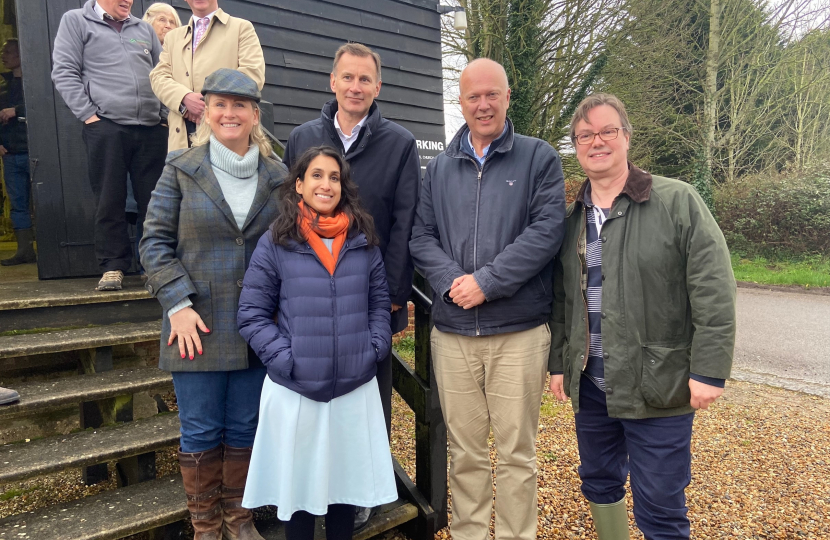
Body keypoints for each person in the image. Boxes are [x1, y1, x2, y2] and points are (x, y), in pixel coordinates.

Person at [548, 93, 736, 540]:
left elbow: (713, 290)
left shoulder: (677, 202)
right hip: (592, 386)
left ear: (627, 137)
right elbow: (562, 300)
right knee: (598, 481)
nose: (597, 141)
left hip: (658, 384)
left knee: (660, 502)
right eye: (585, 135)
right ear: (576, 146)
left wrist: (709, 370)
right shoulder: (571, 217)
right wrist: (559, 361)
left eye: (607, 130)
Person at [409, 58, 566, 540]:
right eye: (473, 96)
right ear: (460, 101)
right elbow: (420, 236)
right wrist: (456, 280)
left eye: (491, 94)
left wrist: (489, 282)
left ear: (507, 97)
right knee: (465, 451)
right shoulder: (438, 168)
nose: (482, 104)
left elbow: (546, 232)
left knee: (518, 454)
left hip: (517, 332)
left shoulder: (539, 158)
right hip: (454, 334)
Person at [140, 69, 286, 540]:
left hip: (255, 328)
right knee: (201, 431)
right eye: (220, 104)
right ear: (207, 111)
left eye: (240, 105)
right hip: (194, 323)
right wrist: (176, 304)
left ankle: (238, 519)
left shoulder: (280, 177)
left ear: (254, 114)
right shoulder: (182, 168)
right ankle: (206, 526)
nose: (229, 113)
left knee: (245, 427)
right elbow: (154, 243)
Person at [282, 43, 420, 529]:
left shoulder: (399, 143)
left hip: (370, 293)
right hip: (307, 291)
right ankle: (305, 485)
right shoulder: (302, 137)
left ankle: (361, 488)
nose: (356, 87)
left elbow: (405, 221)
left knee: (369, 394)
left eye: (366, 79)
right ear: (332, 81)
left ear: (377, 87)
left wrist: (396, 296)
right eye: (348, 77)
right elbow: (286, 212)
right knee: (306, 390)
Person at [237, 145, 397, 540]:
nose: (326, 184)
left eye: (334, 177)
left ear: (343, 187)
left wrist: (374, 349)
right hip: (297, 391)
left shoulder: (363, 241)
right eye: (317, 175)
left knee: (344, 491)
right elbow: (251, 314)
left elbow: (380, 303)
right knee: (300, 495)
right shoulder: (276, 241)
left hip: (352, 390)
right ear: (299, 184)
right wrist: (286, 360)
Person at [51, 0, 168, 291]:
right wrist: (89, 115)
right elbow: (64, 71)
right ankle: (113, 267)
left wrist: (164, 116)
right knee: (109, 198)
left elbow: (163, 73)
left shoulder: (143, 29)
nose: (127, 0)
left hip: (152, 128)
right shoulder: (76, 21)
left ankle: (152, 266)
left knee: (154, 202)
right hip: (106, 126)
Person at [150, 0, 265, 152]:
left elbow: (252, 74)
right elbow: (158, 76)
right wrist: (184, 99)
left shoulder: (241, 28)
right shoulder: (172, 38)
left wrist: (209, 104)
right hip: (181, 138)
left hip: (225, 134)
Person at [0, 38, 35, 266]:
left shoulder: (35, 82)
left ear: (21, 54)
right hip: (11, 154)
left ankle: (51, 248)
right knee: (19, 204)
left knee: (44, 201)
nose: (3, 56)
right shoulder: (3, 87)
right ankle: (25, 251)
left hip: (35, 151)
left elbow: (45, 105)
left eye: (8, 52)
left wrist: (17, 110)